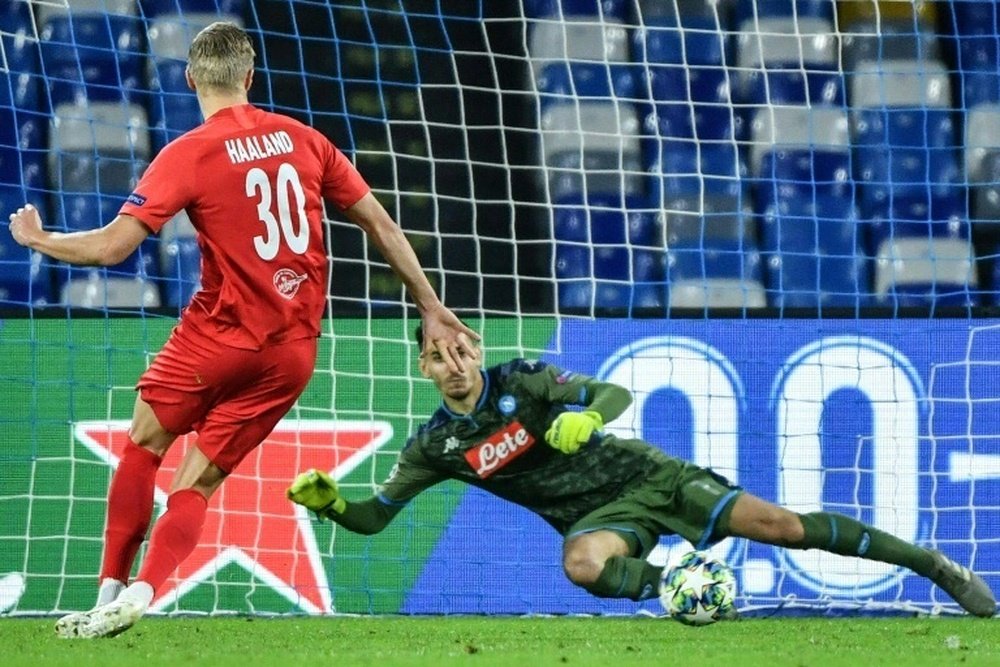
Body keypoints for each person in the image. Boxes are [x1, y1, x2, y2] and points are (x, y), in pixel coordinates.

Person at [7, 22, 479, 639]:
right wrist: (430, 305)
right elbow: (382, 225)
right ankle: (147, 590)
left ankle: (111, 589)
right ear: (250, 78)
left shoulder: (189, 153)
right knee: (196, 483)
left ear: (190, 79)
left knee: (145, 444)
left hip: (217, 337)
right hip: (292, 354)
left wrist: (42, 240)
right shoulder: (304, 140)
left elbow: (112, 249)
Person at [287, 326, 997, 619]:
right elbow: (376, 516)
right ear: (424, 367)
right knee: (581, 564)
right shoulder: (434, 447)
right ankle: (686, 591)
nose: (454, 363)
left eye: (460, 348)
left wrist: (586, 415)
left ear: (474, 348)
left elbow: (610, 393)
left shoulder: (525, 382)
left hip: (646, 476)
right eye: (438, 356)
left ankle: (932, 565)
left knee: (784, 525)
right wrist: (335, 506)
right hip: (601, 519)